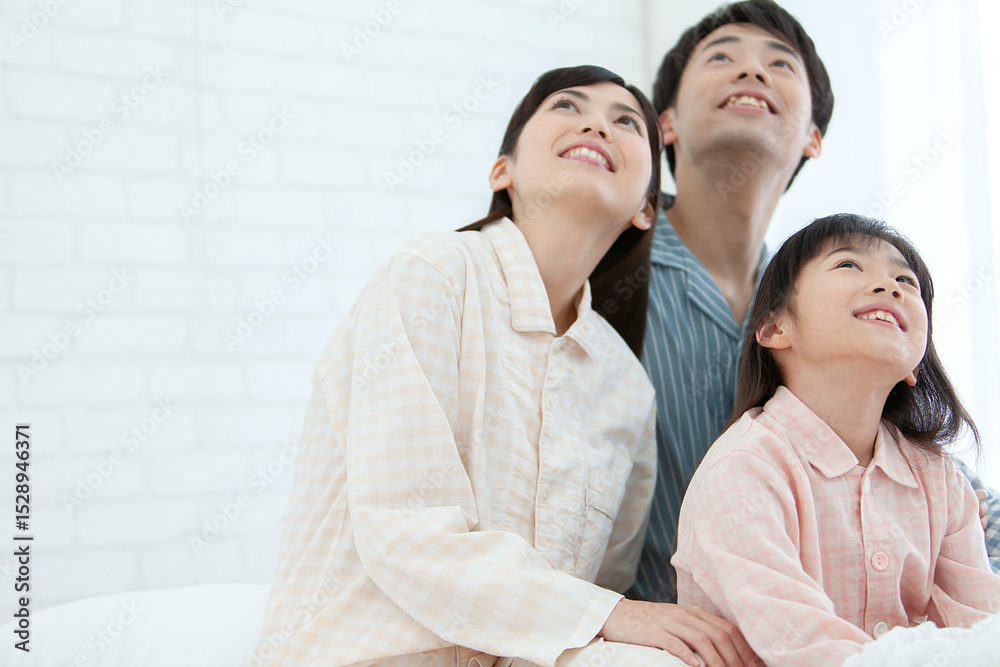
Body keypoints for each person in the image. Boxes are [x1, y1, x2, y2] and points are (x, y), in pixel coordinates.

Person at [255, 65, 754, 667]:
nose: (598, 124)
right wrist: (609, 613)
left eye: (626, 122)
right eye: (567, 106)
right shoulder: (433, 275)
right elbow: (405, 529)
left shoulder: (627, 388)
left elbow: (603, 586)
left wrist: (614, 616)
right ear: (502, 171)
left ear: (646, 209)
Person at [632, 0, 1000, 604]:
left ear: (813, 137)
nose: (752, 71)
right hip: (657, 630)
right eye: (722, 58)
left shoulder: (828, 302)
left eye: (780, 64)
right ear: (664, 125)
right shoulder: (609, 272)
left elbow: (905, 459)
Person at [672, 213, 1000, 665]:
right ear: (774, 329)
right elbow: (808, 647)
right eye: (849, 265)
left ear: (914, 365)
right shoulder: (745, 469)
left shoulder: (941, 480)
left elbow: (983, 633)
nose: (890, 287)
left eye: (905, 280)